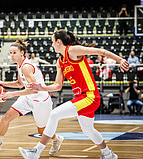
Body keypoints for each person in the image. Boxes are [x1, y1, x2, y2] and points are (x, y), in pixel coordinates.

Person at [18, 29, 129, 159]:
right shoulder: (60, 62)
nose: (52, 45)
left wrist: (120, 60)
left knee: (54, 115)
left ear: (58, 42)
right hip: (81, 98)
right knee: (88, 130)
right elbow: (58, 86)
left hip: (90, 96)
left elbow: (100, 51)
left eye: (53, 42)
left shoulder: (72, 50)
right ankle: (108, 154)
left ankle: (36, 152)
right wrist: (40, 87)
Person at [0, 38, 64, 155]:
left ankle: (57, 139)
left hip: (40, 100)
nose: (12, 55)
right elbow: (20, 84)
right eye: (10, 53)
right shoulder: (19, 65)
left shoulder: (26, 66)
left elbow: (34, 90)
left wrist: (11, 94)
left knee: (41, 130)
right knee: (5, 118)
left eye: (14, 53)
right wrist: (3, 83)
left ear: (22, 53)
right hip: (28, 98)